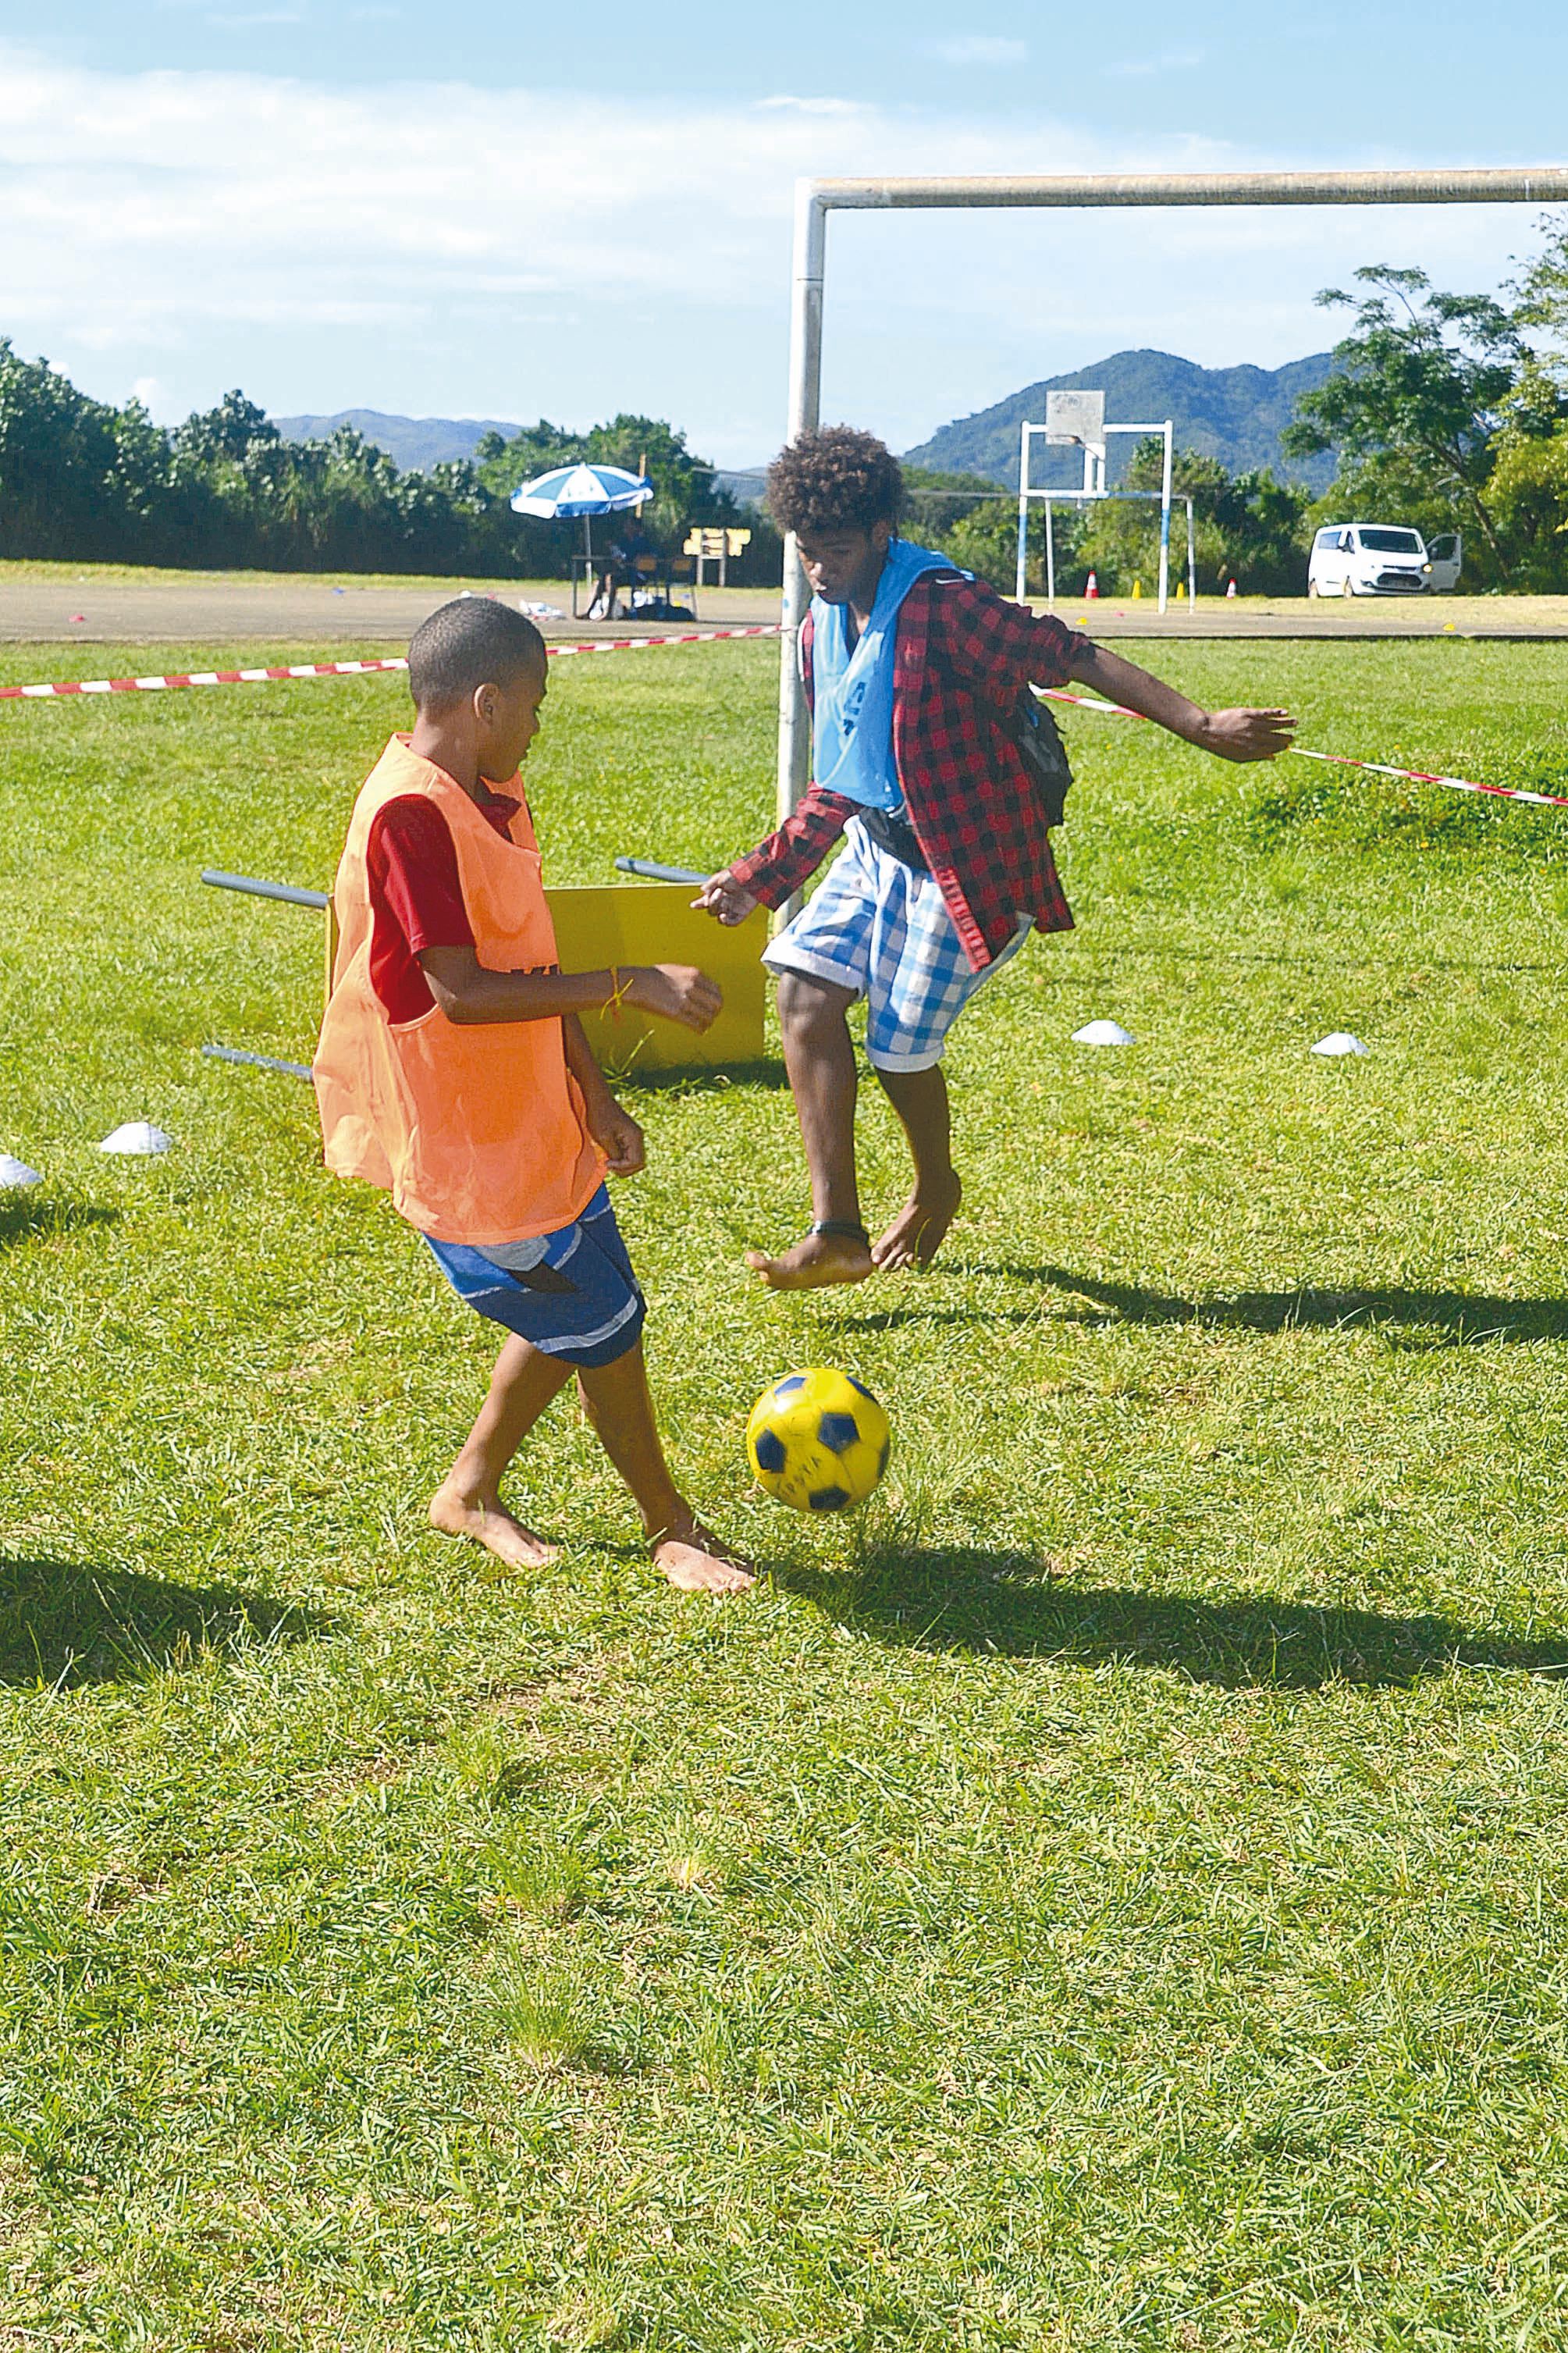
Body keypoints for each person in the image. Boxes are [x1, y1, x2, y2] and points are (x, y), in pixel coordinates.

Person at [694, 425, 1296, 1291]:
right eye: (805, 551)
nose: (818, 570)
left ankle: (934, 1186)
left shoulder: (943, 605)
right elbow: (842, 776)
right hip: (877, 847)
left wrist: (1199, 724)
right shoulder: (822, 628)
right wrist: (759, 879)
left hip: (965, 862)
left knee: (899, 1050)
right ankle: (837, 1233)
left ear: (879, 534)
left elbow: (1069, 653)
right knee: (803, 995)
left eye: (835, 551)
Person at [314, 597, 753, 1595]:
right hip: (467, 1146)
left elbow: (527, 959)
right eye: (536, 704)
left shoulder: (489, 796)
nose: (538, 726)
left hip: (534, 1123)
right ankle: (670, 1527)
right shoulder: (411, 815)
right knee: (606, 1319)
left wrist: (592, 1094)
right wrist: (631, 981)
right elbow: (463, 992)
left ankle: (468, 1490)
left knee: (581, 1310)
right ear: (486, 702)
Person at [585, 514, 656, 621]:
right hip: (626, 572)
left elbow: (650, 557)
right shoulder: (624, 541)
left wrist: (637, 559)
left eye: (629, 525)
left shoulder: (643, 542)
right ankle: (589, 611)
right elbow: (621, 556)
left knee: (612, 579)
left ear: (636, 527)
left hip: (639, 575)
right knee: (600, 581)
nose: (626, 527)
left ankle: (609, 613)